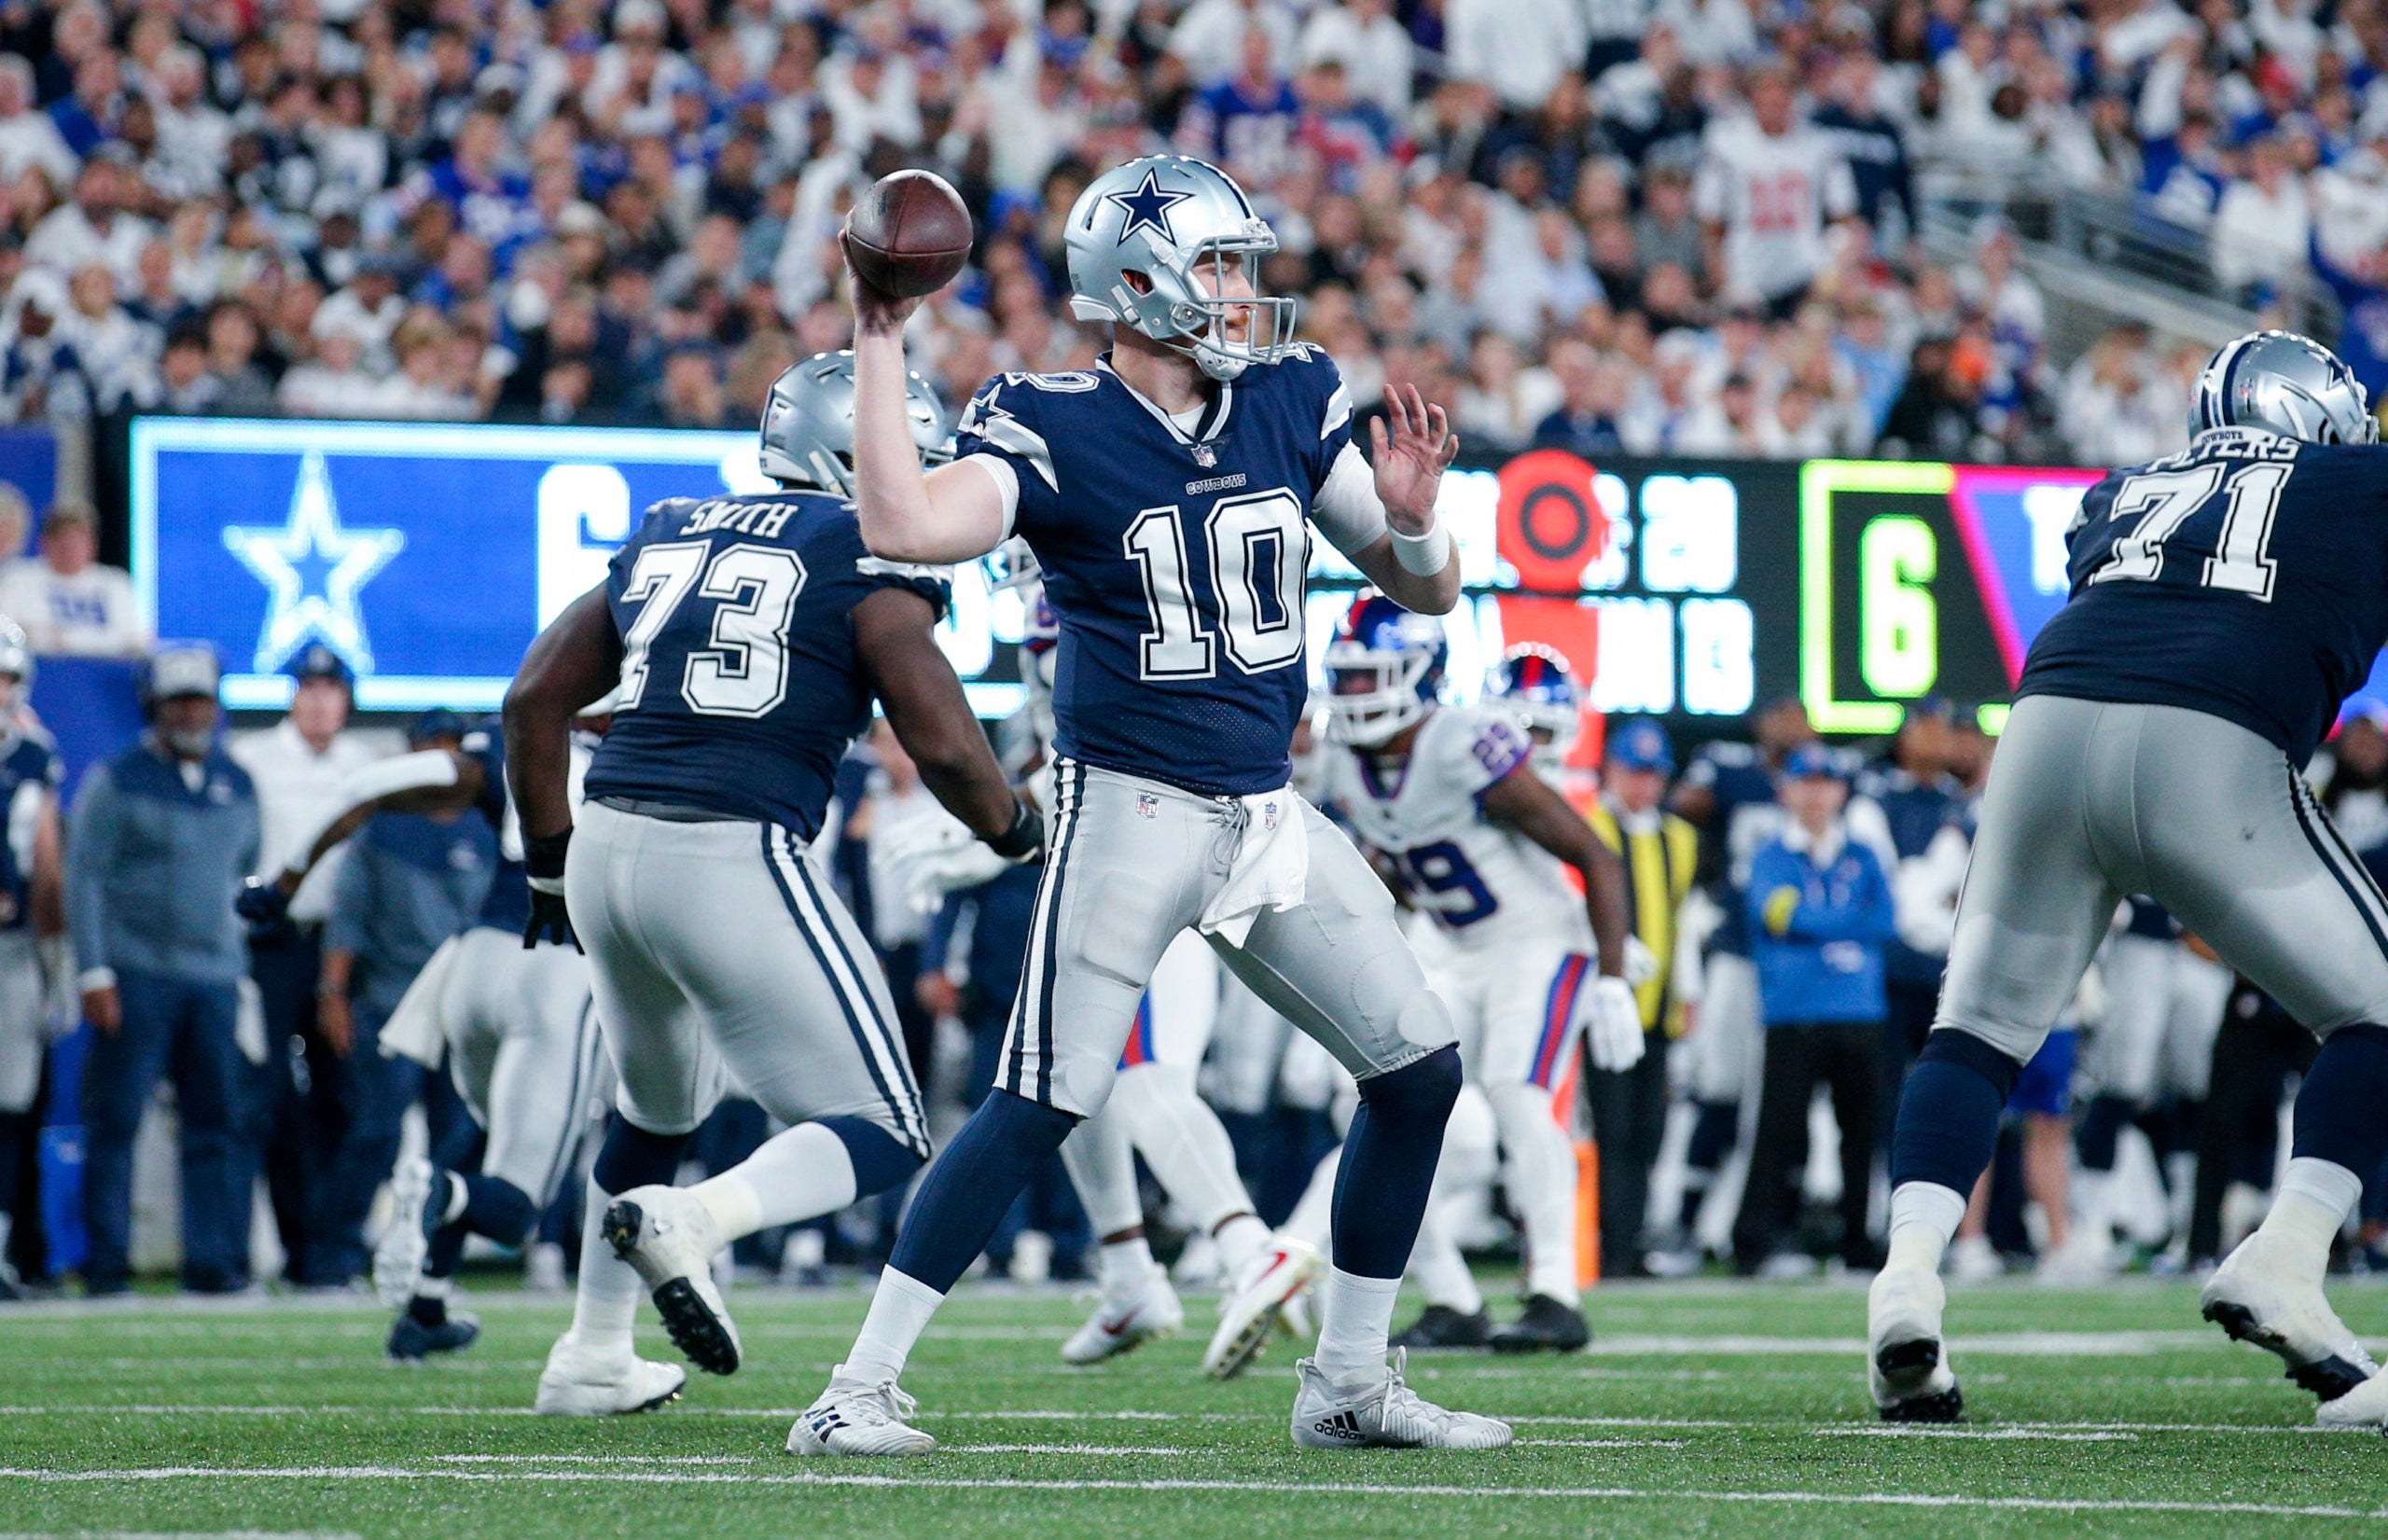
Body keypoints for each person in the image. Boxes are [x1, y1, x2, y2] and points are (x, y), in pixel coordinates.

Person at [796, 152, 1505, 1456]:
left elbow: (1429, 590)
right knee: (1043, 1098)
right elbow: (900, 520)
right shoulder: (1054, 420)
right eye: (1221, 265)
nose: (1244, 291)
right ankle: (854, 1387)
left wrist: (1410, 525)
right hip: (1131, 807)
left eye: (1242, 264)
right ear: (1139, 282)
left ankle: (1347, 1381)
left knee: (1418, 1071)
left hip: (1266, 814)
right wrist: (883, 328)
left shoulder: (1291, 395)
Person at [1867, 330, 2388, 1432]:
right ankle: (2289, 1255)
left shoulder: (2121, 486)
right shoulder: (2357, 477)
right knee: (2376, 1011)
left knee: (1974, 1028)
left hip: (2047, 722)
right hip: (2210, 737)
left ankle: (1907, 1275)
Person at [503, 349, 1034, 1417]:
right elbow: (937, 735)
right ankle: (693, 1220)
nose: (917, 485)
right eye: (905, 458)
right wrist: (1016, 826)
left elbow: (529, 702)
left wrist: (552, 867)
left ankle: (593, 1353)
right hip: (730, 844)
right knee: (883, 1125)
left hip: (607, 842)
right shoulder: (862, 551)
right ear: (848, 453)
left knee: (652, 1106)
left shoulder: (671, 527)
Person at [1312, 603, 1639, 1353]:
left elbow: (1595, 853)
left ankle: (1556, 1291)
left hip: (1539, 942)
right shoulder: (1345, 762)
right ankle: (1453, 1297)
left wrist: (1615, 973)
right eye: (1348, 674)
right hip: (1451, 947)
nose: (1356, 689)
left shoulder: (1461, 741)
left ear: (1419, 676)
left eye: (1372, 674)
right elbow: (1386, 872)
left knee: (1520, 1097)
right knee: (1381, 1103)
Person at [237, 703, 608, 1363]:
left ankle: (426, 1305)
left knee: (473, 1136)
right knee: (518, 1197)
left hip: (473, 964)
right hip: (561, 970)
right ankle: (612, 1330)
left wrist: (283, 882)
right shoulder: (660, 752)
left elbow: (362, 787)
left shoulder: (512, 741)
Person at [66, 644, 259, 1295]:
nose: (190, 713)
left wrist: (241, 964)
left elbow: (246, 871)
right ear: (154, 706)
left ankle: (213, 1265)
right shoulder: (117, 778)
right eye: (178, 701)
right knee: (115, 1119)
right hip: (137, 971)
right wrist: (94, 971)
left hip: (215, 977)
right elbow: (84, 876)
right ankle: (106, 1266)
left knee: (217, 1124)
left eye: (199, 700)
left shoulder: (239, 780)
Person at [302, 710, 494, 1291]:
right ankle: (332, 1260)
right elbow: (348, 918)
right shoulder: (380, 826)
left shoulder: (488, 826)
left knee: (458, 1136)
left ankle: (432, 1262)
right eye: (429, 746)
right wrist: (333, 992)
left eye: (449, 746)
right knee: (375, 1132)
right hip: (390, 1002)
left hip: (461, 1009)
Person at [229, 643, 380, 1285]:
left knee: (345, 1097)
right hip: (275, 943)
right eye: (309, 687)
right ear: (292, 694)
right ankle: (292, 1244)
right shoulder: (253, 759)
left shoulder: (365, 764)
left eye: (331, 688)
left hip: (345, 945)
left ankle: (332, 1245)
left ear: (346, 698)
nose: (320, 699)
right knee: (269, 1098)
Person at [1660, 695, 1814, 1268]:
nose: (1791, 727)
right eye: (1782, 716)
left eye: (1799, 717)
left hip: (1798, 961)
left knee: (1787, 1101)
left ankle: (1779, 1230)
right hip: (1737, 952)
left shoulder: (1822, 778)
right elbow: (1684, 805)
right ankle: (1684, 1221)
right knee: (1719, 1088)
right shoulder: (1730, 768)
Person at [1730, 744, 1894, 1276]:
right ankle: (1759, 1243)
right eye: (1807, 781)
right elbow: (1776, 915)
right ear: (1786, 790)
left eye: (1827, 782)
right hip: (1794, 1011)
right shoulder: (1770, 855)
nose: (1817, 793)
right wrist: (1844, 925)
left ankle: (1857, 1243)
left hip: (1858, 1012)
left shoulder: (1864, 854)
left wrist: (1816, 923)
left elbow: (1886, 920)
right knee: (1779, 1131)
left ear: (1842, 791)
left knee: (1861, 1133)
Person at [1582, 715, 1698, 1280]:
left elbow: (1682, 920)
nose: (1644, 785)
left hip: (1658, 1009)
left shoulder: (1680, 838)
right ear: (1611, 769)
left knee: (1647, 1134)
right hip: (1597, 1006)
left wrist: (1688, 993)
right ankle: (1601, 1244)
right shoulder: (1588, 823)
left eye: (1654, 774)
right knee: (1608, 1129)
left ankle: (1629, 1241)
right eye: (1635, 771)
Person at [0, 621, 61, 1298]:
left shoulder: (35, 753)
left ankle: (3, 1251)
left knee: (12, 1104)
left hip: (14, 951)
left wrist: (57, 956)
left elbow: (47, 864)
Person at [0, 504, 148, 657]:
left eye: (78, 541)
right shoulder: (17, 578)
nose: (70, 550)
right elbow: (7, 635)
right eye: (63, 541)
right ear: (45, 543)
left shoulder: (116, 583)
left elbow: (136, 641)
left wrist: (62, 638)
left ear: (92, 545)